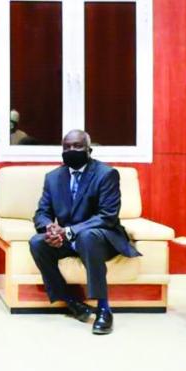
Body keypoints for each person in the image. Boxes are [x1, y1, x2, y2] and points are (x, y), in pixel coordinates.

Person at [28, 129, 141, 334]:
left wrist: (69, 231)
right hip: (68, 238)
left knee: (88, 236)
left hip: (101, 238)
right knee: (37, 242)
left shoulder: (106, 174)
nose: (71, 150)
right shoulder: (53, 177)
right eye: (67, 147)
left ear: (89, 150)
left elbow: (107, 216)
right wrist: (50, 228)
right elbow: (42, 213)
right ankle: (72, 302)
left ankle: (104, 309)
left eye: (77, 146)